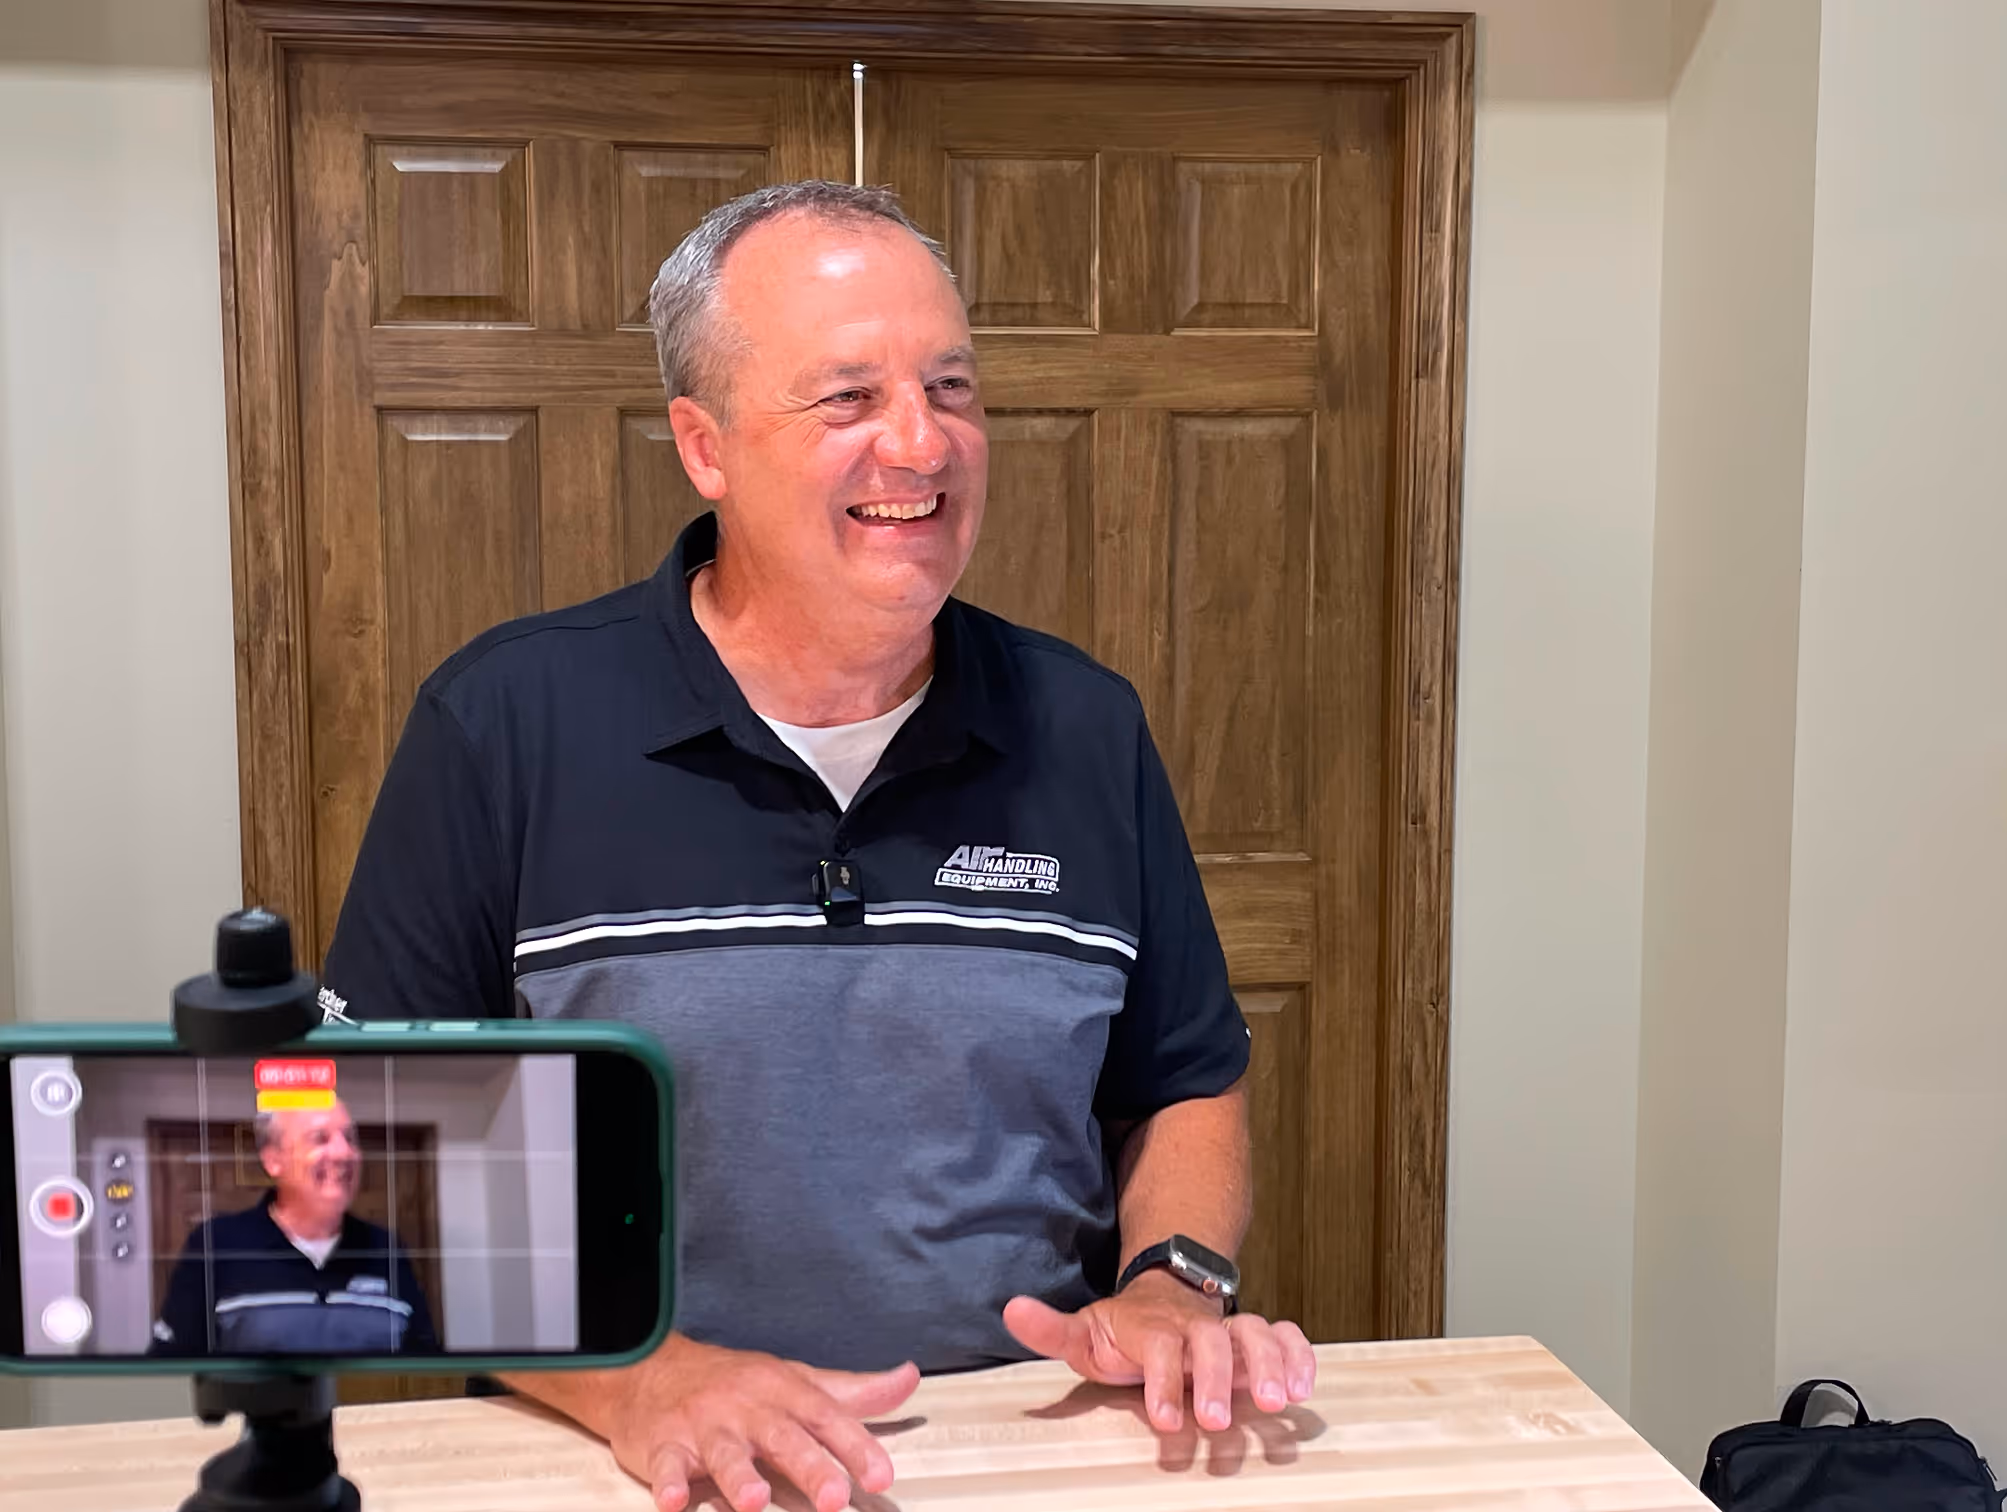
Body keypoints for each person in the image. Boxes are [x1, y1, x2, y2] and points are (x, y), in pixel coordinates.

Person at [319, 179, 1316, 1512]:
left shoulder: (1083, 724)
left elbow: (1183, 1075)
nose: (920, 445)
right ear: (705, 444)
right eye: (848, 400)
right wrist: (637, 1378)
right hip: (630, 1461)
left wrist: (1170, 1286)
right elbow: (361, 1149)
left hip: (1023, 1454)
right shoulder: (506, 722)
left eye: (951, 389)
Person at [148, 1097, 438, 1356]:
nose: (344, 1152)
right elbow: (168, 1371)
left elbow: (428, 1364)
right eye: (320, 1138)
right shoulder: (216, 1245)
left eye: (350, 1138)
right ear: (274, 1160)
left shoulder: (385, 1247)